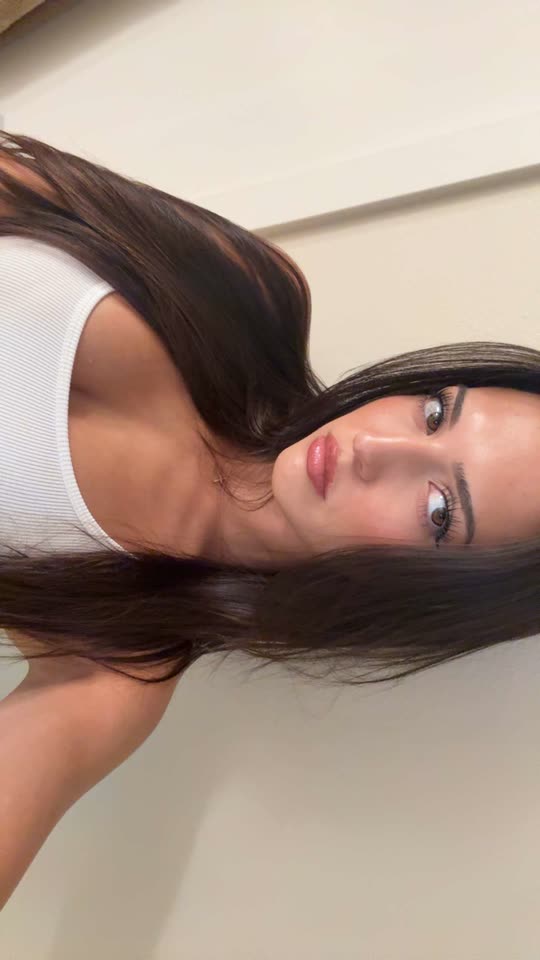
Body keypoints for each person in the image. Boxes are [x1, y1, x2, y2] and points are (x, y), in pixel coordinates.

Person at [0, 130, 539, 908]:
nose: (375, 448)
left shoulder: (113, 661)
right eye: (433, 412)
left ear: (425, 590)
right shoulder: (246, 285)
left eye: (437, 508)